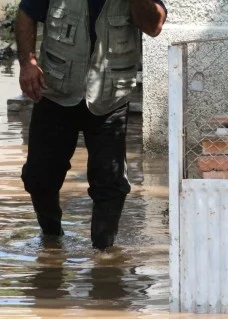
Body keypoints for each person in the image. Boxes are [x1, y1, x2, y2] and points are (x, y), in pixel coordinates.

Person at [16, 0, 167, 250]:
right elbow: (26, 12)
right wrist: (27, 63)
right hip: (56, 91)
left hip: (109, 97)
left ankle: (103, 253)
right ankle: (52, 238)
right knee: (39, 176)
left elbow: (154, 26)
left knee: (110, 182)